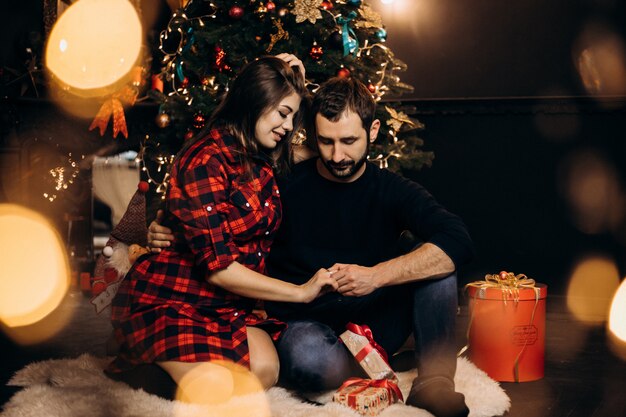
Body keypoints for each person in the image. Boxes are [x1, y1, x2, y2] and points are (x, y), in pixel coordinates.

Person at [149, 76, 474, 417]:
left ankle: (433, 384)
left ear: (373, 130)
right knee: (309, 360)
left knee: (439, 266)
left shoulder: (392, 189)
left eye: (349, 141)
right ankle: (366, 368)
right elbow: (212, 208)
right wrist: (166, 225)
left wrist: (375, 276)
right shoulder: (284, 181)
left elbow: (458, 240)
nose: (337, 155)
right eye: (326, 141)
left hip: (375, 317)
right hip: (305, 322)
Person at [106, 54, 338, 403]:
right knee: (216, 386)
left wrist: (303, 87)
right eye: (283, 114)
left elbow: (329, 151)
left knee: (265, 369)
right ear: (256, 100)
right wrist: (300, 292)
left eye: (293, 117)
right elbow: (219, 270)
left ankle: (167, 368)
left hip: (229, 308)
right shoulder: (204, 159)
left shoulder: (264, 155)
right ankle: (146, 359)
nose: (288, 127)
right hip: (176, 300)